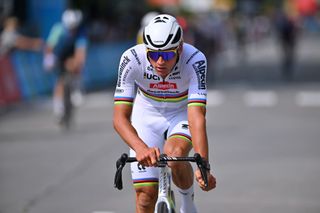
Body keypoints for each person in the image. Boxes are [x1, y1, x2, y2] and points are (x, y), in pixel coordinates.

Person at [113, 14, 216, 213]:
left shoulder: (195, 59)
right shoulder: (131, 58)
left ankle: (187, 204)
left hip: (180, 114)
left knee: (174, 156)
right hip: (146, 116)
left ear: (180, 47)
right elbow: (119, 118)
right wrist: (140, 148)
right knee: (145, 197)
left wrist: (204, 167)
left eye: (167, 55)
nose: (160, 61)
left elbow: (196, 116)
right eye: (153, 55)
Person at [43, 9, 88, 122]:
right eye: (70, 28)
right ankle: (58, 107)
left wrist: (78, 63)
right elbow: (49, 47)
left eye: (74, 28)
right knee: (60, 81)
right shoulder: (58, 29)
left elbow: (81, 51)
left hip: (72, 53)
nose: (72, 30)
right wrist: (48, 59)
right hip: (59, 54)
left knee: (77, 64)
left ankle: (76, 89)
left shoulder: (81, 31)